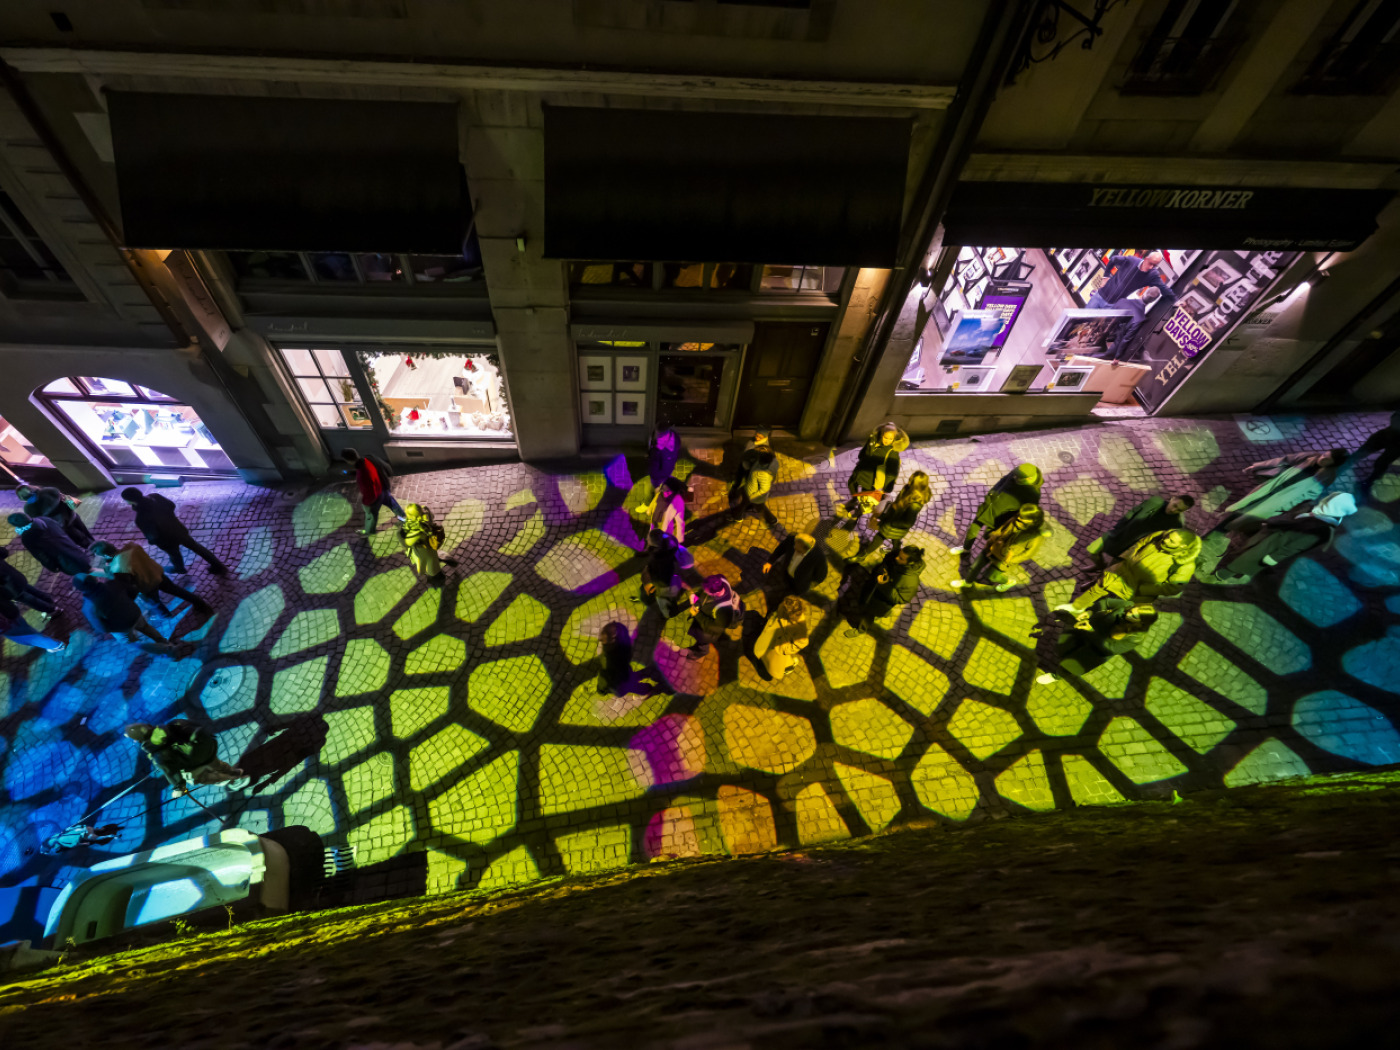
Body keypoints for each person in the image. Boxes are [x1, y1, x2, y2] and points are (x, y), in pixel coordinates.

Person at [1199, 493, 1358, 585]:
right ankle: (1231, 570)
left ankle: (1221, 575)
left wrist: (1273, 558)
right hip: (1271, 536)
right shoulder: (1317, 512)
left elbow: (1293, 548)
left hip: (1273, 546)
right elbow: (1291, 517)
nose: (1325, 500)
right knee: (1245, 553)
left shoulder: (1321, 531)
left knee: (1245, 560)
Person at [1056, 529, 1201, 614]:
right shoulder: (1161, 535)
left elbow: (1173, 588)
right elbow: (1141, 542)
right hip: (1118, 573)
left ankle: (1090, 623)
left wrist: (1143, 589)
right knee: (1096, 589)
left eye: (1172, 541)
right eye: (1168, 536)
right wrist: (1128, 557)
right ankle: (1075, 608)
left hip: (1131, 591)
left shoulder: (1185, 565)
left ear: (1183, 547)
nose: (1166, 540)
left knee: (1110, 609)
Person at [1217, 448, 1348, 530]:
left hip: (1282, 500)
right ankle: (1225, 518)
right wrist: (1257, 466)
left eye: (1327, 459)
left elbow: (1309, 496)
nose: (1322, 458)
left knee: (1252, 515)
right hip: (1271, 487)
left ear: (1333, 464)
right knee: (1246, 502)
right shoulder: (1311, 457)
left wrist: (1288, 505)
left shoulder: (1326, 477)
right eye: (1324, 454)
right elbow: (1284, 460)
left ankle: (1226, 528)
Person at [948, 463, 1043, 575]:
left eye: (1018, 478)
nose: (1014, 478)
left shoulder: (1033, 493)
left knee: (990, 539)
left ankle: (984, 564)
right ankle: (966, 549)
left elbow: (1024, 512)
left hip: (1000, 518)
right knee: (972, 529)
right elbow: (1003, 480)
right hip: (988, 508)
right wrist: (992, 493)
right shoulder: (1016, 473)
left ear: (1028, 479)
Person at [1036, 599, 1158, 684]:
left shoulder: (1136, 637)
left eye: (1133, 616)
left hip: (1095, 651)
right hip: (1086, 633)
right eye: (1131, 609)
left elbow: (1109, 648)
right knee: (1065, 646)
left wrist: (1091, 631)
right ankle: (1062, 656)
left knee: (1071, 665)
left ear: (1141, 623)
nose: (1128, 612)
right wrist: (1090, 612)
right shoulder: (1127, 606)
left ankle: (1056, 675)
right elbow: (1106, 602)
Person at [120, 488, 228, 575]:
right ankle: (217, 565)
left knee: (174, 555)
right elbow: (171, 505)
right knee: (197, 547)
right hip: (178, 530)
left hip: (166, 540)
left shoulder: (141, 518)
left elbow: (152, 535)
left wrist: (153, 542)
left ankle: (179, 569)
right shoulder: (155, 497)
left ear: (130, 501)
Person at [90, 540, 211, 616]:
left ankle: (166, 616)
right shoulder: (132, 545)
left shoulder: (117, 567)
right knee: (177, 590)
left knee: (155, 604)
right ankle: (199, 603)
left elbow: (126, 582)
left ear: (105, 555)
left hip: (147, 586)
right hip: (157, 573)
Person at [124, 719, 244, 794]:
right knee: (215, 763)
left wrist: (180, 788)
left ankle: (234, 781)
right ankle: (235, 772)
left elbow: (172, 772)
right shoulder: (171, 725)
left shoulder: (158, 755)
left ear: (139, 740)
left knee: (198, 778)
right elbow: (193, 725)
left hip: (195, 760)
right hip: (207, 746)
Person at [954, 503, 1050, 593]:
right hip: (993, 547)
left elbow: (1028, 554)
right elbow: (1002, 529)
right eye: (1019, 515)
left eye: (1022, 518)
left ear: (1032, 520)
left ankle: (1008, 582)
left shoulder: (1036, 537)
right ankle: (967, 583)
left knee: (992, 576)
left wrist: (1010, 560)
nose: (1018, 518)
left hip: (1004, 559)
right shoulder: (1015, 519)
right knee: (975, 567)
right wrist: (993, 536)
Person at [74, 572, 176, 653]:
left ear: (81, 589)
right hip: (134, 613)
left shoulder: (88, 608)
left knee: (133, 643)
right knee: (146, 628)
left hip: (122, 628)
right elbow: (133, 591)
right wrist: (128, 603)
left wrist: (116, 627)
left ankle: (167, 651)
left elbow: (102, 628)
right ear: (95, 579)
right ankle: (164, 642)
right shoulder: (112, 584)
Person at [1088, 493, 1195, 569]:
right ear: (1173, 499)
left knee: (1112, 569)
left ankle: (1096, 580)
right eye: (1175, 505)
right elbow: (1133, 512)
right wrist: (1119, 527)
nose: (1173, 510)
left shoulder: (1176, 524)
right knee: (1093, 551)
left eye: (1179, 510)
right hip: (1121, 534)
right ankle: (1099, 565)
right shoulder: (1154, 501)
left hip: (1131, 547)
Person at [838, 422, 909, 529]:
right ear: (881, 434)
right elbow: (863, 454)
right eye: (885, 437)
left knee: (864, 502)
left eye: (890, 439)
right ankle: (853, 503)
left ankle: (851, 522)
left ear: (894, 439)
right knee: (853, 488)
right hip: (860, 472)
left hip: (870, 480)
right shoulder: (873, 440)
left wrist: (887, 488)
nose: (887, 440)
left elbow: (892, 472)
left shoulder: (892, 452)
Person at [845, 546, 924, 637]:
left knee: (868, 615)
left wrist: (885, 585)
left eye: (901, 558)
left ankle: (861, 629)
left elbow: (902, 599)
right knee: (864, 600)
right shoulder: (896, 555)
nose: (896, 558)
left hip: (881, 601)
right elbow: (886, 561)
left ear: (911, 563)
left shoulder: (911, 582)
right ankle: (885, 613)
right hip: (873, 587)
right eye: (899, 554)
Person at [856, 471, 932, 563]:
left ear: (916, 485)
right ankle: (895, 554)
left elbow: (908, 523)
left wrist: (890, 523)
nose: (908, 482)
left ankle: (864, 555)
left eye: (911, 481)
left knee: (880, 537)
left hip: (893, 524)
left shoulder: (915, 504)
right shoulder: (908, 488)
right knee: (895, 541)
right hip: (893, 521)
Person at [341, 449, 405, 536]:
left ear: (348, 461)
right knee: (393, 504)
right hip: (383, 488)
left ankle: (369, 532)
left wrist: (366, 504)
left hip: (376, 496)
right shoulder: (369, 458)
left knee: (371, 516)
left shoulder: (361, 476)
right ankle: (404, 519)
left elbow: (369, 492)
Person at [7, 512, 90, 576]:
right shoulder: (43, 519)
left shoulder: (27, 537)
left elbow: (41, 555)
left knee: (84, 573)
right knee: (86, 567)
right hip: (71, 548)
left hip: (65, 561)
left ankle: (93, 583)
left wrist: (52, 567)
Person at [15, 483, 94, 548]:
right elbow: (63, 497)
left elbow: (40, 520)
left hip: (61, 524)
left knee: (77, 536)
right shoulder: (47, 491)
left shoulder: (29, 508)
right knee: (82, 530)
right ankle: (93, 543)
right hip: (70, 514)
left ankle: (90, 547)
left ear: (22, 497)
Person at [753, 595, 809, 681]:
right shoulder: (785, 605)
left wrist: (782, 648)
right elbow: (778, 613)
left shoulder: (801, 631)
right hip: (776, 634)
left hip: (781, 644)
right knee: (766, 651)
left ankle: (788, 666)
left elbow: (797, 645)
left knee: (777, 661)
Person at [686, 574, 742, 659]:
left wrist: (697, 614)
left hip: (707, 632)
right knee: (698, 639)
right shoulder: (721, 579)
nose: (705, 592)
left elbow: (715, 628)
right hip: (703, 619)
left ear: (716, 593)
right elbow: (704, 592)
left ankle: (700, 653)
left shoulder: (724, 610)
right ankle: (698, 646)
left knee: (702, 643)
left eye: (707, 591)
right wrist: (697, 596)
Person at [727, 435, 779, 527]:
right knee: (750, 504)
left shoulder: (762, 473)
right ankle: (771, 519)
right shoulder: (772, 462)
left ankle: (771, 519)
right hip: (751, 487)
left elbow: (764, 489)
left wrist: (752, 496)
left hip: (752, 493)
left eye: (758, 455)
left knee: (755, 505)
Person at [762, 532, 828, 599]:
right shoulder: (791, 540)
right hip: (785, 574)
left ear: (808, 550)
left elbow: (821, 576)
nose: (795, 552)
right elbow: (781, 549)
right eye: (795, 548)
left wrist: (807, 581)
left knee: (790, 596)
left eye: (799, 551)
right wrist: (770, 562)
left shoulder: (818, 556)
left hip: (798, 584)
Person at [640, 530, 689, 619]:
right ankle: (672, 608)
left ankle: (669, 613)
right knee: (671, 598)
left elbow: (650, 572)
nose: (647, 539)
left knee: (664, 602)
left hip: (663, 585)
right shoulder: (670, 549)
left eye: (648, 538)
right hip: (671, 579)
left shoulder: (652, 556)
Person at [400, 503, 455, 583]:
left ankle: (438, 579)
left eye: (408, 514)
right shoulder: (425, 510)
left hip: (425, 550)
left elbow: (407, 543)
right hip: (430, 545)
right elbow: (432, 516)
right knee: (433, 557)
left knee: (432, 570)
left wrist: (402, 533)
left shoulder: (417, 529)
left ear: (412, 516)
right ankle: (444, 559)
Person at [0, 547, 59, 619]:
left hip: (8, 587)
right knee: (30, 589)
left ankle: (51, 610)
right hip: (14, 576)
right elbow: (4, 552)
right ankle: (50, 602)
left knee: (28, 599)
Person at [1355, 410, 1400, 488]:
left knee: (1381, 463)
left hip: (1396, 443)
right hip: (1388, 435)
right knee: (1363, 452)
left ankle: (1369, 482)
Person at [647, 477, 688, 548]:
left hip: (665, 531)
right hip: (655, 525)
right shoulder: (660, 494)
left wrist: (679, 540)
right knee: (654, 542)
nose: (665, 493)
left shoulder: (678, 501)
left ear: (674, 491)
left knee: (663, 546)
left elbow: (680, 523)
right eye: (664, 490)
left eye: (668, 491)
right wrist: (649, 509)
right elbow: (654, 502)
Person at [40, 822, 122, 855]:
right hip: (79, 829)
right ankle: (102, 829)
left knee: (95, 838)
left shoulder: (57, 844)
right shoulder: (54, 837)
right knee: (95, 830)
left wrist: (83, 843)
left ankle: (111, 836)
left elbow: (73, 844)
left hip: (81, 835)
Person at [648, 426, 682, 491]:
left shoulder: (674, 440)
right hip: (661, 474)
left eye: (660, 438)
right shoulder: (674, 438)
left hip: (662, 473)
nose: (658, 441)